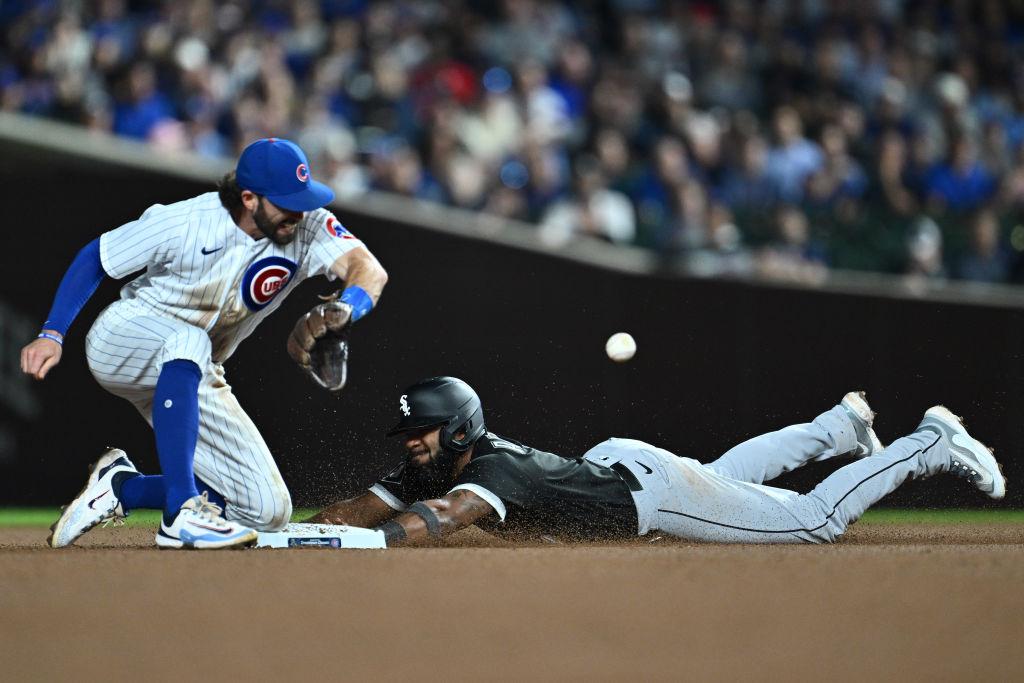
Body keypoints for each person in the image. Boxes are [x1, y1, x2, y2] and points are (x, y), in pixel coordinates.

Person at [21, 138, 388, 549]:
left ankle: (123, 488)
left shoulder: (308, 227)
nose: (298, 212)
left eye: (303, 199)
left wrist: (346, 308)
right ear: (249, 198)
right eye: (286, 201)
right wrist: (52, 333)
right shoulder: (188, 220)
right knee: (188, 338)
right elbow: (97, 256)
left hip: (191, 370)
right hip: (124, 339)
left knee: (267, 510)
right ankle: (179, 514)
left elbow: (368, 270)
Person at [311, 377, 1005, 545]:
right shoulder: (436, 463)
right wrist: (309, 532)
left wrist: (370, 542)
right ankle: (840, 426)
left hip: (648, 496)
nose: (411, 442)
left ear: (460, 430)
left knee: (813, 521)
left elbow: (446, 516)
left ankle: (930, 443)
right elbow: (358, 508)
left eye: (423, 432)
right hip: (623, 466)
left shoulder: (487, 470)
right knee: (725, 478)